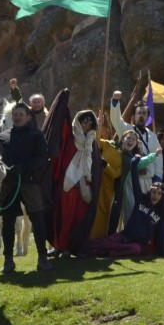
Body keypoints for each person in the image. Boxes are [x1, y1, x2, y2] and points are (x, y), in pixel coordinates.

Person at [0, 102, 53, 272]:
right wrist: (7, 170)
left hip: (29, 181)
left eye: (21, 114)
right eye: (15, 114)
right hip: (9, 183)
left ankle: (42, 258)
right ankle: (8, 260)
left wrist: (27, 168)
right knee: (7, 222)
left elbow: (42, 157)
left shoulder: (37, 135)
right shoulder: (3, 137)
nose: (18, 116)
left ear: (28, 117)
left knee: (37, 218)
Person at [53, 109, 98, 255]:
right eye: (85, 121)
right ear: (79, 121)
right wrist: (63, 106)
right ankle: (61, 245)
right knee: (65, 216)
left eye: (90, 123)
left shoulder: (92, 141)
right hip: (68, 182)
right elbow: (60, 126)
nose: (87, 125)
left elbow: (95, 161)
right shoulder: (70, 137)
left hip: (84, 184)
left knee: (80, 218)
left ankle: (74, 247)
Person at [88, 181, 164, 259]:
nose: (155, 195)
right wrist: (134, 166)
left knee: (135, 249)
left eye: (159, 194)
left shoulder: (162, 212)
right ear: (150, 192)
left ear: (162, 196)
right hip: (124, 236)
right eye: (154, 192)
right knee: (101, 242)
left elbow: (161, 233)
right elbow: (135, 182)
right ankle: (87, 245)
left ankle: (108, 252)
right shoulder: (141, 198)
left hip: (138, 244)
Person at [110, 89, 163, 188]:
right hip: (129, 179)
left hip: (147, 182)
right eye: (139, 113)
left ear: (147, 117)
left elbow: (158, 159)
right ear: (134, 116)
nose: (141, 116)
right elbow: (116, 119)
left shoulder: (153, 136)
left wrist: (158, 178)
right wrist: (115, 101)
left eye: (144, 113)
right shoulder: (126, 129)